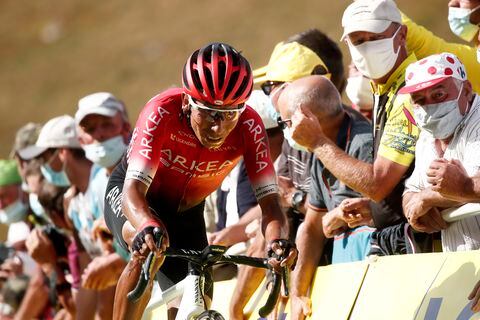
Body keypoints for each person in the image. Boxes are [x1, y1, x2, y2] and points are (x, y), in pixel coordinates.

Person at [103, 42, 296, 320]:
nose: (219, 127)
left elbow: (270, 204)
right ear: (186, 101)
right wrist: (147, 226)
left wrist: (277, 243)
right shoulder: (161, 112)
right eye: (209, 113)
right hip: (136, 199)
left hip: (187, 213)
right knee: (147, 250)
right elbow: (132, 190)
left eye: (231, 114)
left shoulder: (250, 126)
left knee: (195, 301)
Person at [290, 0, 421, 254]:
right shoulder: (385, 88)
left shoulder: (410, 91)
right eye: (358, 41)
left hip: (426, 243)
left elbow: (377, 183)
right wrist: (374, 209)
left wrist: (317, 142)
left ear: (401, 35)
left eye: (376, 37)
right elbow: (395, 183)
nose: (368, 46)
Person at [276, 75, 375, 320]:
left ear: (305, 117)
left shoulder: (364, 143)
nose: (287, 131)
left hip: (374, 278)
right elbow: (312, 226)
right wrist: (298, 293)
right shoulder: (318, 148)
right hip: (347, 276)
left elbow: (380, 213)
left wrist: (334, 220)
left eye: (287, 122)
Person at [400, 52, 480, 251]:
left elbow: (472, 185)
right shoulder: (427, 137)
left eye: (439, 95)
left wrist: (428, 198)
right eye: (419, 100)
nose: (430, 107)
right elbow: (411, 193)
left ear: (467, 90)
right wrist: (415, 209)